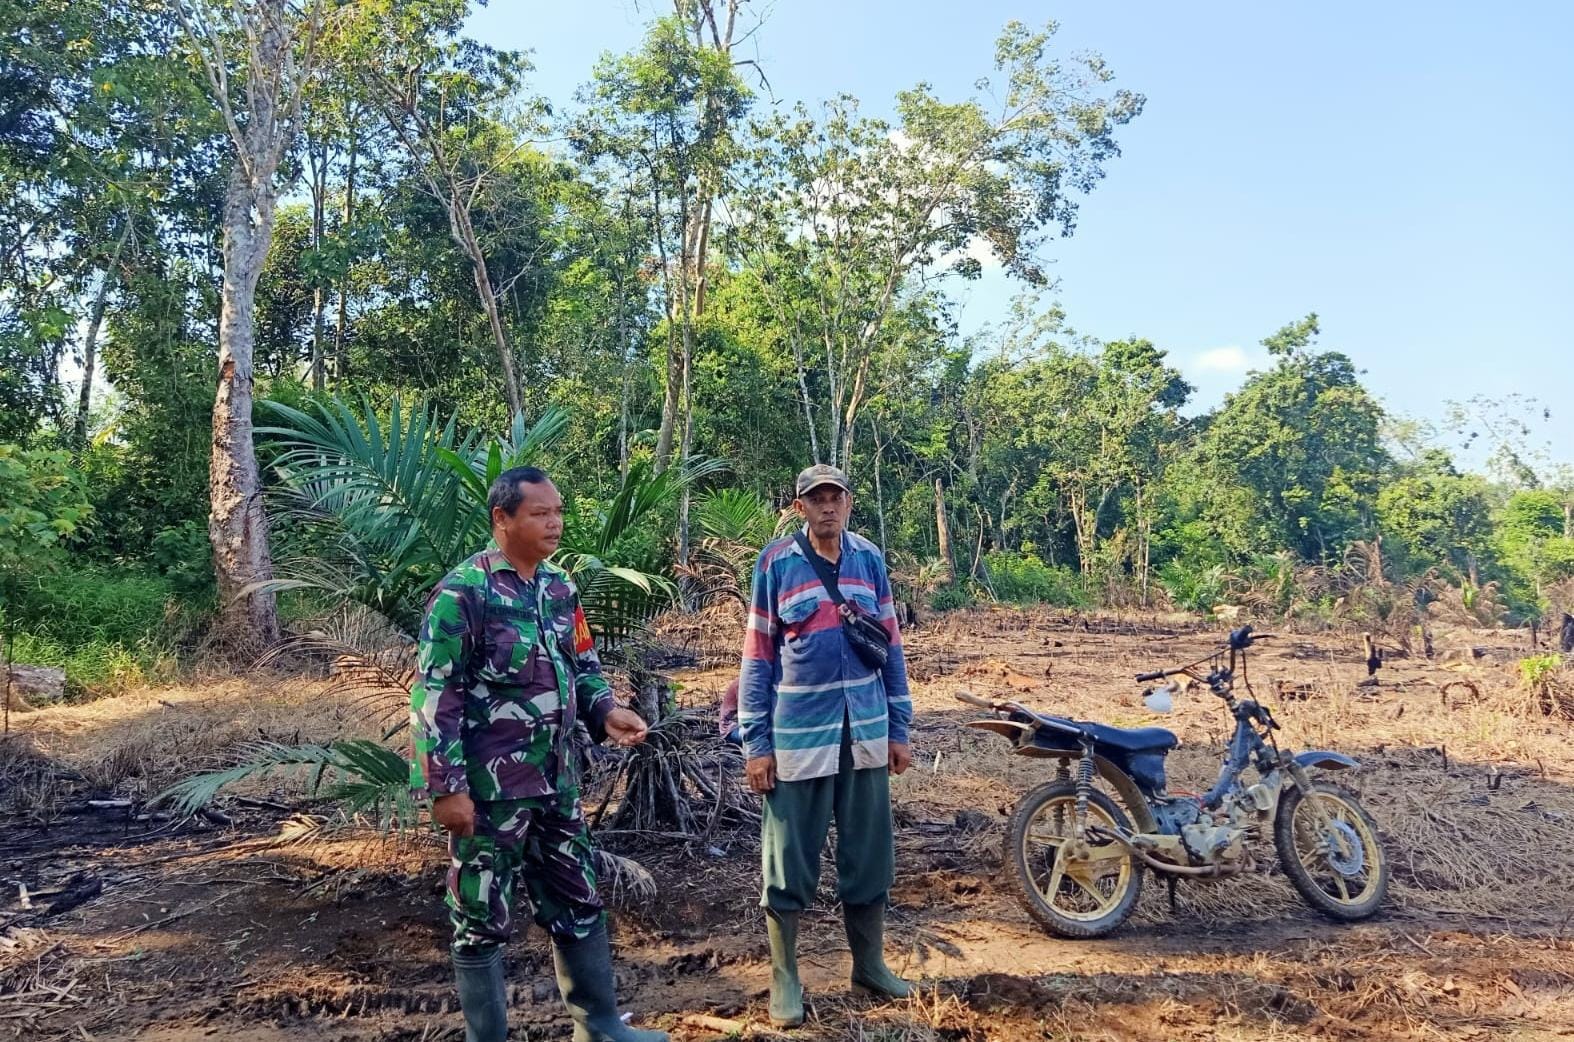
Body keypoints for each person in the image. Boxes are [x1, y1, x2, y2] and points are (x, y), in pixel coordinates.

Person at [411, 466, 666, 1042]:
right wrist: (445, 787)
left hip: (557, 782)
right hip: (489, 793)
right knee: (480, 918)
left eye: (558, 512)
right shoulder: (463, 593)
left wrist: (605, 711)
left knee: (578, 898)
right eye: (540, 513)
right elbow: (435, 694)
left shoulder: (558, 589)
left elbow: (581, 664)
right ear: (502, 518)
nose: (555, 523)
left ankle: (599, 1026)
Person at [737, 463, 914, 1027]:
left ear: (849, 502)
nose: (827, 507)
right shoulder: (776, 563)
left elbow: (891, 647)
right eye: (816, 499)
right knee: (788, 858)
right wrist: (755, 743)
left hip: (863, 730)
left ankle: (870, 964)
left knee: (869, 854)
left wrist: (899, 727)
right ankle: (785, 976)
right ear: (799, 508)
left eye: (836, 497)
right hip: (797, 736)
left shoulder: (869, 559)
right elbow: (758, 655)